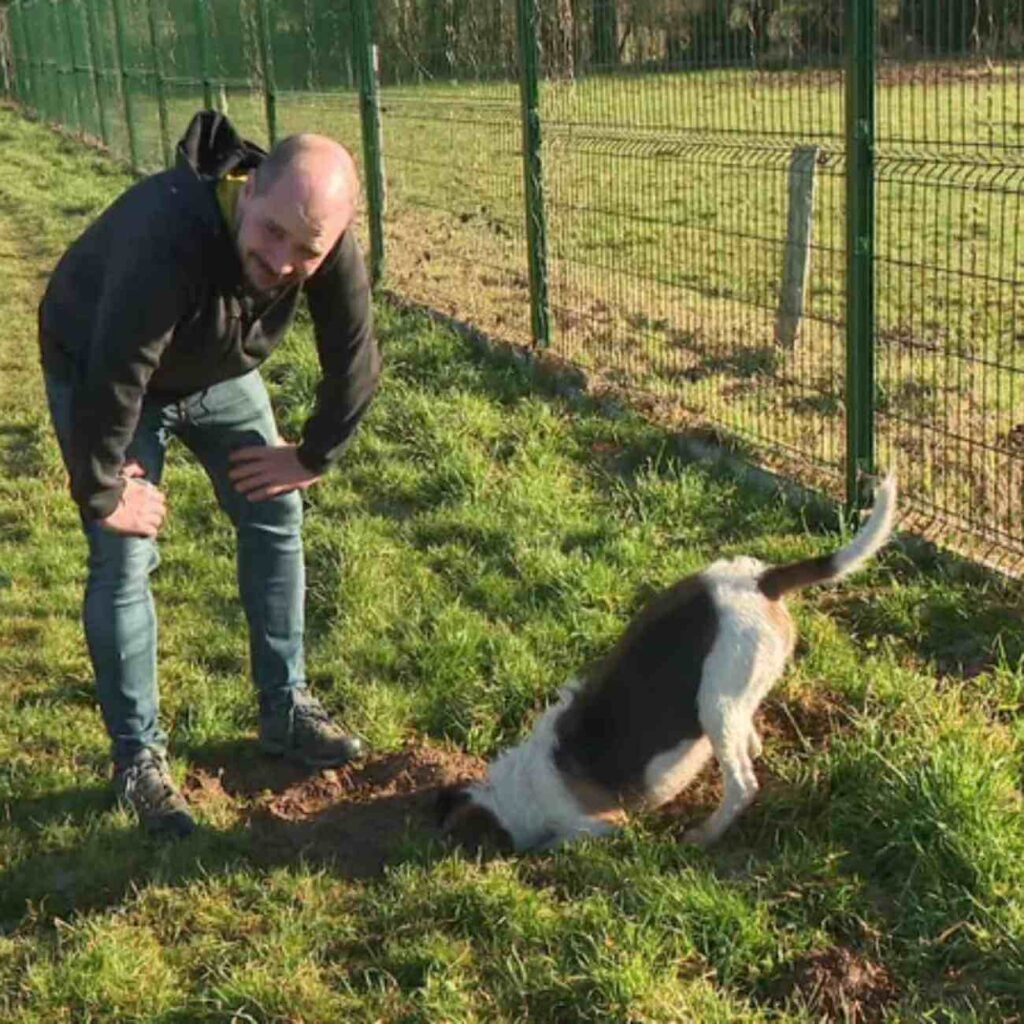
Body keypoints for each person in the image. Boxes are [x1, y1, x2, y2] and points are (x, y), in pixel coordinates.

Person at [38, 110, 382, 838]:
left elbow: (355, 357)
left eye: (306, 249)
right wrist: (103, 491)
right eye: (272, 233)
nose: (283, 260)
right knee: (124, 555)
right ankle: (137, 762)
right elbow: (115, 371)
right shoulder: (167, 240)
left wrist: (311, 455)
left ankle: (285, 710)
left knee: (275, 507)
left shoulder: (319, 239)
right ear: (248, 188)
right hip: (103, 363)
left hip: (214, 369)